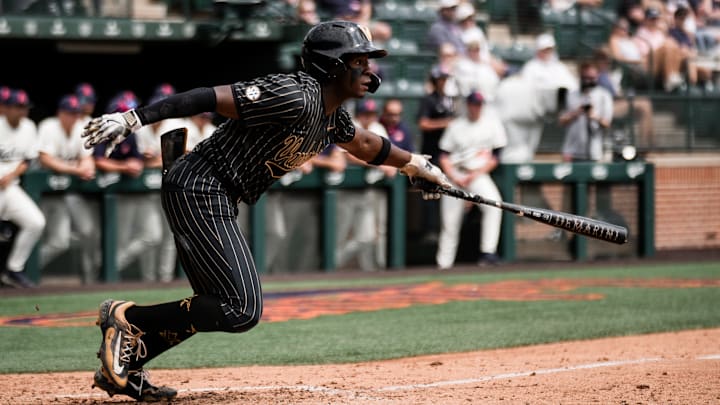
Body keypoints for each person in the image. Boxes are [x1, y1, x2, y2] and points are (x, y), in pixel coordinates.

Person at [80, 20, 450, 402]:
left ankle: (125, 364)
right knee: (241, 308)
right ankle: (128, 318)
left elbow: (365, 143)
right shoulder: (293, 94)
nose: (369, 71)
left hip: (216, 194)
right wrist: (132, 118)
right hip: (200, 187)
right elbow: (208, 96)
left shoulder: (330, 114)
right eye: (359, 61)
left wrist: (414, 165)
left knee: (216, 302)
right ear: (333, 65)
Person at [93, 91, 163, 280]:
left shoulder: (131, 134)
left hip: (132, 192)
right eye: (124, 112)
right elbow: (98, 160)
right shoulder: (105, 128)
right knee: (115, 238)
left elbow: (138, 161)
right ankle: (105, 273)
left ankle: (108, 267)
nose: (129, 116)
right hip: (108, 194)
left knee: (152, 235)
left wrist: (138, 163)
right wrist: (125, 166)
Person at [436, 90, 506, 269]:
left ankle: (488, 252)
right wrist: (453, 176)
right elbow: (443, 155)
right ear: (468, 105)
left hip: (477, 174)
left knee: (494, 204)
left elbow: (496, 155)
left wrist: (476, 173)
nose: (476, 107)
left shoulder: (492, 124)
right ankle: (444, 263)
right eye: (473, 104)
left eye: (479, 104)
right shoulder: (456, 125)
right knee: (450, 221)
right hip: (456, 174)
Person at [37, 94, 101, 284]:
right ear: (60, 113)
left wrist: (88, 166)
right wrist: (76, 169)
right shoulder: (48, 126)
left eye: (76, 113)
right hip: (39, 192)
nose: (73, 116)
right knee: (35, 232)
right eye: (69, 112)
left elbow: (87, 156)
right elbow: (45, 159)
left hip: (62, 194)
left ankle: (26, 271)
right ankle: (18, 271)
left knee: (59, 241)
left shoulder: (81, 127)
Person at [0, 89, 46, 288]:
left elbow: (27, 159)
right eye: (18, 107)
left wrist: (11, 174)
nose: (22, 111)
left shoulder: (28, 127)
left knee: (36, 222)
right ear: (6, 108)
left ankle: (14, 269)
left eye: (25, 107)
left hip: (10, 188)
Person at [417, 64, 457, 243]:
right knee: (431, 192)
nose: (443, 82)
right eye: (440, 79)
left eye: (445, 79)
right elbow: (423, 123)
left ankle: (447, 230)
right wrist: (445, 123)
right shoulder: (429, 100)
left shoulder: (448, 99)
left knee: (449, 190)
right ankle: (430, 230)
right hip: (432, 152)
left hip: (448, 153)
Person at [559, 61, 614, 162]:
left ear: (597, 76)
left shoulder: (604, 95)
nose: (588, 81)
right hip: (572, 151)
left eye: (591, 78)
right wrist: (576, 113)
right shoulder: (572, 94)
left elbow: (607, 123)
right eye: (585, 77)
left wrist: (594, 116)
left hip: (594, 151)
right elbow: (562, 120)